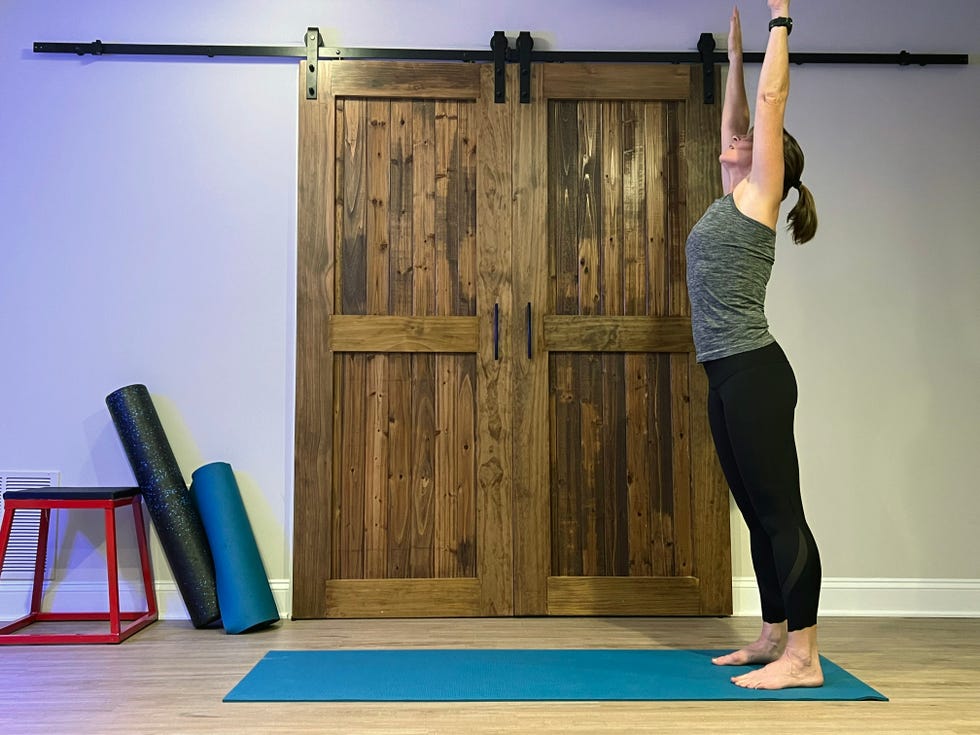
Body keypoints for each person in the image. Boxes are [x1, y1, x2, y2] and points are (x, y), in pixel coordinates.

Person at [685, 0, 823, 690]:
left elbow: (770, 102)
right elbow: (736, 117)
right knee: (754, 512)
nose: (735, 138)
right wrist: (735, 58)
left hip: (756, 373)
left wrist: (780, 19)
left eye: (751, 138)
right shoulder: (730, 194)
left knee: (780, 513)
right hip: (725, 373)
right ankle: (773, 636)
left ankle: (805, 655)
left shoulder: (762, 192)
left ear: (771, 159)